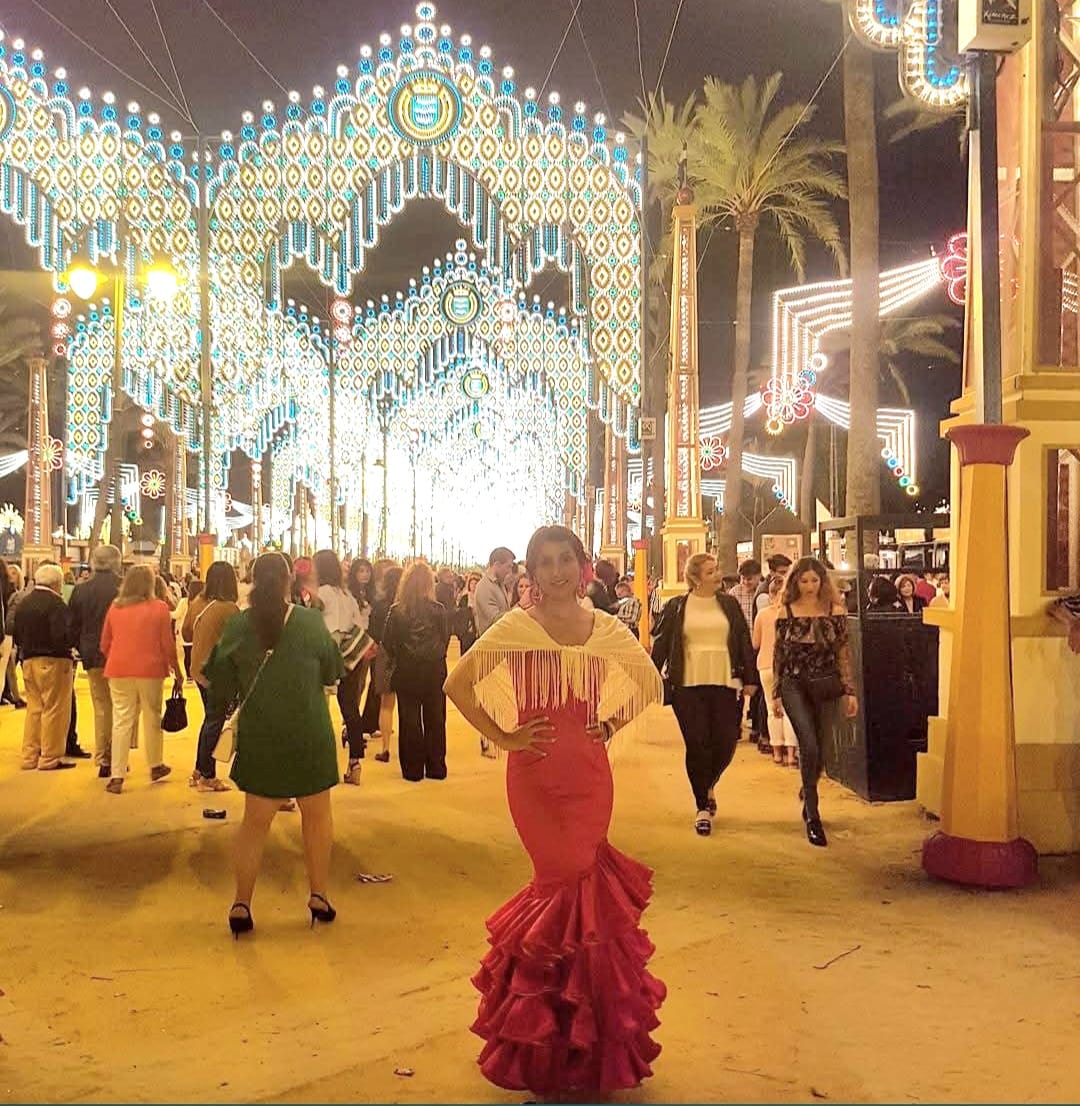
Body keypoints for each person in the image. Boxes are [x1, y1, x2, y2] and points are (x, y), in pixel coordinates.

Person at [444, 525, 665, 1100]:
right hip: (535, 779)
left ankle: (582, 1047)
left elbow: (650, 683)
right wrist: (505, 736)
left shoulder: (607, 628)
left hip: (592, 779)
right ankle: (545, 1044)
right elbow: (457, 684)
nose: (557, 571)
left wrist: (611, 723)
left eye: (565, 559)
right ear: (531, 573)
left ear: (581, 564)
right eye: (545, 563)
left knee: (584, 894)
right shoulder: (515, 628)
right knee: (560, 883)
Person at [203, 552, 343, 938]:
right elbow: (333, 670)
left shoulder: (238, 625)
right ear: (287, 582)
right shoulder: (311, 622)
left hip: (261, 733)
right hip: (309, 732)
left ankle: (241, 902)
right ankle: (318, 895)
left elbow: (218, 678)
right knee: (316, 818)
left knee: (254, 823)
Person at [651, 553, 759, 836]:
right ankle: (702, 805)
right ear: (696, 578)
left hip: (725, 682)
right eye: (711, 571)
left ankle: (708, 782)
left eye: (716, 570)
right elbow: (661, 646)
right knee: (697, 743)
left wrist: (750, 678)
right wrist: (649, 677)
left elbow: (743, 641)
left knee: (725, 742)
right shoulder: (676, 607)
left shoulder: (729, 604)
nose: (717, 575)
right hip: (687, 685)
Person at [772, 557, 858, 848]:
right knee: (807, 743)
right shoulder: (785, 612)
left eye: (814, 580)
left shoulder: (835, 611)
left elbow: (843, 653)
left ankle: (808, 787)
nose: (809, 586)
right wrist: (775, 693)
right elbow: (779, 655)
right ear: (795, 582)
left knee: (822, 750)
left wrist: (850, 690)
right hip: (793, 683)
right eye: (804, 580)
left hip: (826, 683)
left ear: (822, 582)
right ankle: (813, 812)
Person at [100, 565, 184, 794]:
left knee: (122, 720)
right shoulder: (159, 608)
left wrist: (119, 658)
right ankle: (155, 765)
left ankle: (116, 775)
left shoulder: (115, 608)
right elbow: (167, 645)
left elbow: (104, 643)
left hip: (118, 669)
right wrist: (177, 670)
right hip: (151, 669)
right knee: (152, 716)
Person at [382, 561, 451, 782]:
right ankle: (436, 767)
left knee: (409, 720)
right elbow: (445, 638)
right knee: (435, 719)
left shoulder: (397, 611)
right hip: (434, 670)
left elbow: (388, 642)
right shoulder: (438, 610)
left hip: (407, 670)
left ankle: (412, 770)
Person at [314, 549, 370, 786]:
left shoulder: (321, 594)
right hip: (350, 656)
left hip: (324, 653)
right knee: (350, 710)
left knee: (318, 710)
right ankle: (355, 762)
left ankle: (319, 763)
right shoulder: (347, 594)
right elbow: (360, 623)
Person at [184, 561, 241, 791]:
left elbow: (186, 630)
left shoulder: (198, 602)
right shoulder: (229, 609)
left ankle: (200, 769)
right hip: (218, 673)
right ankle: (207, 776)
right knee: (215, 722)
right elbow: (238, 642)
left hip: (198, 668)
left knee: (210, 719)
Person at [14, 563, 76, 771]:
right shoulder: (57, 605)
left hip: (28, 660)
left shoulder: (24, 602)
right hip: (53, 660)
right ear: (57, 583)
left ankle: (29, 756)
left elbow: (14, 630)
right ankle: (49, 757)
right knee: (54, 709)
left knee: (34, 709)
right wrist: (70, 649)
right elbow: (61, 635)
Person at [68, 545, 122, 777]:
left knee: (101, 706)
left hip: (92, 654)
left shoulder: (81, 590)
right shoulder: (124, 587)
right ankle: (118, 755)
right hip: (120, 653)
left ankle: (103, 758)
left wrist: (79, 647)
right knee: (121, 707)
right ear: (116, 563)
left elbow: (73, 625)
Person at [752, 574, 799, 767]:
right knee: (789, 710)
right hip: (788, 665)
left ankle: (777, 752)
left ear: (770, 595)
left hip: (765, 664)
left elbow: (755, 643)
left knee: (773, 709)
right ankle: (790, 754)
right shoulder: (793, 613)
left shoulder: (762, 614)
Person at [361, 563, 402, 763]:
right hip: (406, 656)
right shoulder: (407, 604)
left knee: (386, 704)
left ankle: (385, 748)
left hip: (384, 655)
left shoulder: (379, 604)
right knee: (407, 706)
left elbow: (373, 631)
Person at [474, 547, 515, 636]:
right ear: (497, 565)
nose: (509, 572)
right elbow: (495, 619)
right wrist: (519, 608)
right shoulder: (484, 587)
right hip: (490, 645)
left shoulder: (499, 584)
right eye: (508, 567)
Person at [3, 563, 27, 707]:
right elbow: (10, 616)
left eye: (14, 573)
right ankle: (15, 697)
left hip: (10, 634)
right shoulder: (12, 592)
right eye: (9, 573)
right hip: (8, 634)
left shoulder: (16, 592)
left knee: (10, 666)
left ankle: (13, 695)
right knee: (10, 666)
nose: (11, 576)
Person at [174, 578, 204, 680]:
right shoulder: (203, 603)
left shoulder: (184, 602)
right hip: (199, 632)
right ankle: (197, 673)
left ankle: (189, 675)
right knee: (197, 654)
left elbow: (176, 615)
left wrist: (167, 613)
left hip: (186, 632)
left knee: (187, 654)